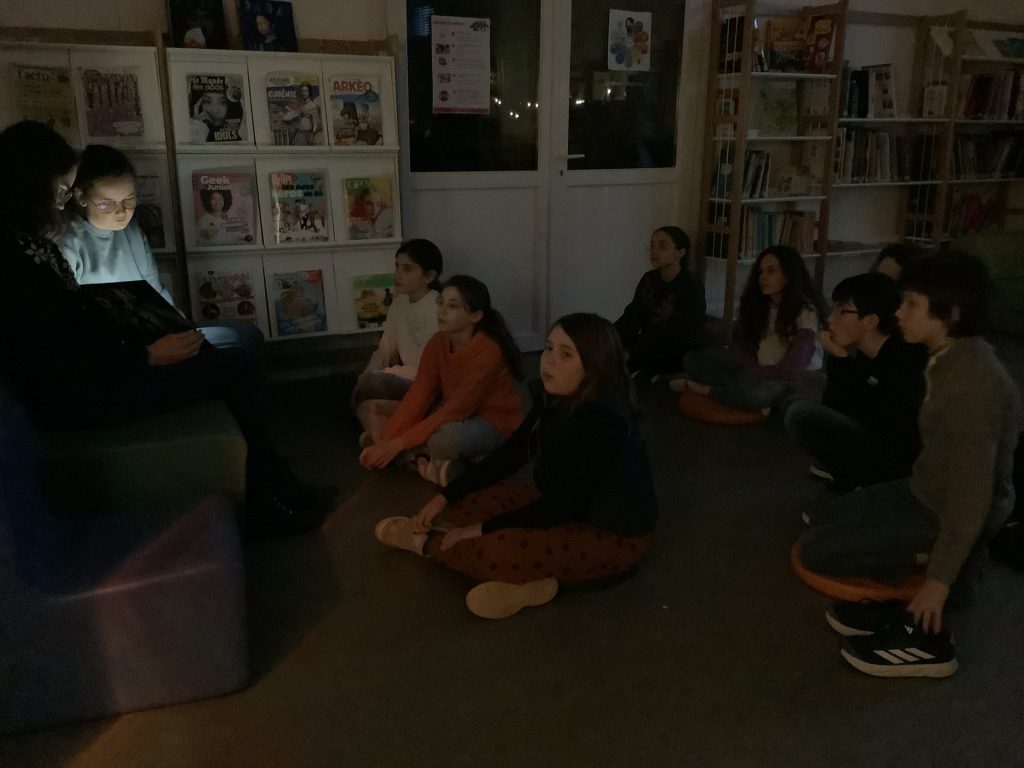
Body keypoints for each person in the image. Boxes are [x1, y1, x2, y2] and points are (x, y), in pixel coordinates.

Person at [0, 121, 327, 536]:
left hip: (98, 371)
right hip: (78, 395)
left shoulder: (29, 247)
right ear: (32, 188)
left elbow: (84, 325)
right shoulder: (21, 258)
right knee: (234, 367)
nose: (62, 202)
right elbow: (53, 352)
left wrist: (151, 333)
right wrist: (146, 354)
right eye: (61, 191)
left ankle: (275, 484)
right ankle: (271, 494)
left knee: (229, 359)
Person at [799, 252, 1022, 678]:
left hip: (949, 509)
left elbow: (972, 500)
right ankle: (920, 569)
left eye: (912, 304)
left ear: (949, 315)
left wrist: (938, 581)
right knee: (820, 519)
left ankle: (931, 625)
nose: (898, 313)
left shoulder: (973, 385)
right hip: (924, 487)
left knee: (817, 551)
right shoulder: (946, 356)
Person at [372, 313, 658, 619]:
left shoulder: (601, 422)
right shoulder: (557, 399)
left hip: (612, 536)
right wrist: (445, 496)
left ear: (594, 367)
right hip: (568, 510)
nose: (549, 360)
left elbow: (559, 508)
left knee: (501, 550)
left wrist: (479, 529)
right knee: (474, 502)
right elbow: (514, 452)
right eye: (549, 348)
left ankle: (426, 544)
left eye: (566, 355)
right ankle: (527, 577)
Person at [59, 144, 265, 361]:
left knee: (248, 336)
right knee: (235, 357)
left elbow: (155, 291)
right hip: (118, 350)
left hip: (152, 333)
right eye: (106, 205)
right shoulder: (68, 243)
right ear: (81, 197)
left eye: (129, 200)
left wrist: (180, 327)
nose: (121, 211)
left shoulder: (131, 232)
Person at [358, 275, 523, 487]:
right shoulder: (438, 342)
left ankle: (435, 458)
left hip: (490, 421)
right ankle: (429, 461)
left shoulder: (488, 351)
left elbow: (456, 410)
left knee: (443, 440)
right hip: (449, 409)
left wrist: (395, 444)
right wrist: (387, 442)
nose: (442, 311)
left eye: (452, 306)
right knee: (371, 406)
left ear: (475, 316)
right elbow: (419, 394)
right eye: (441, 302)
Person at [785, 273, 928, 492]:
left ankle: (860, 479)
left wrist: (841, 360)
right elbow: (837, 404)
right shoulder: (864, 353)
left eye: (842, 311)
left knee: (800, 414)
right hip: (874, 437)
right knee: (797, 398)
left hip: (900, 460)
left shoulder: (905, 357)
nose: (831, 319)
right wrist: (838, 356)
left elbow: (879, 420)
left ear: (870, 321)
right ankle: (848, 474)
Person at [679, 245, 826, 411]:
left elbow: (796, 362)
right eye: (761, 272)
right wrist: (753, 369)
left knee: (760, 395)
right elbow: (744, 347)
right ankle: (737, 389)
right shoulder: (758, 304)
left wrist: (759, 374)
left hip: (789, 379)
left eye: (771, 271)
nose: (763, 277)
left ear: (788, 275)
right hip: (757, 370)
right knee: (693, 359)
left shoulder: (805, 312)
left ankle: (710, 391)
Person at [350, 239, 443, 444]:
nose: (398, 274)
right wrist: (367, 373)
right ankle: (383, 434)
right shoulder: (399, 303)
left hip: (425, 382)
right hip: (406, 375)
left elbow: (429, 368)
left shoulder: (436, 306)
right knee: (359, 386)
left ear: (429, 276)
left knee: (373, 385)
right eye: (397, 266)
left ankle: (382, 436)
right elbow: (385, 349)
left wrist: (380, 376)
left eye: (407, 269)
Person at [614, 226, 706, 379]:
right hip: (646, 345)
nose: (654, 251)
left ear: (680, 252)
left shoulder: (691, 286)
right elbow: (631, 317)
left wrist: (632, 352)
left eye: (662, 246)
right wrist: (608, 339)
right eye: (652, 246)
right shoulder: (649, 279)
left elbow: (677, 332)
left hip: (676, 351)